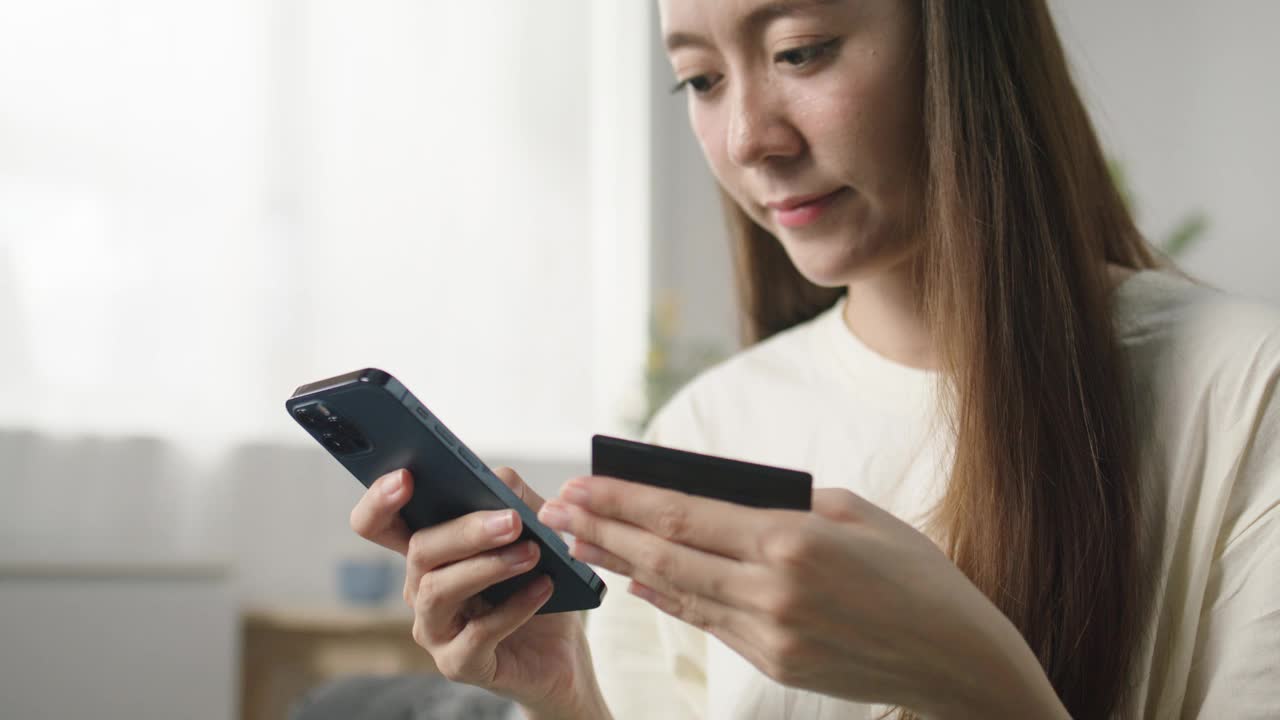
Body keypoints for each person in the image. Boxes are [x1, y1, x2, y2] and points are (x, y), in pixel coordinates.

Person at [348, 1, 1280, 717]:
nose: (751, 138)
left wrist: (976, 679)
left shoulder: (1246, 393)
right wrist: (566, 696)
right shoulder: (711, 427)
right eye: (701, 81)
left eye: (799, 51)